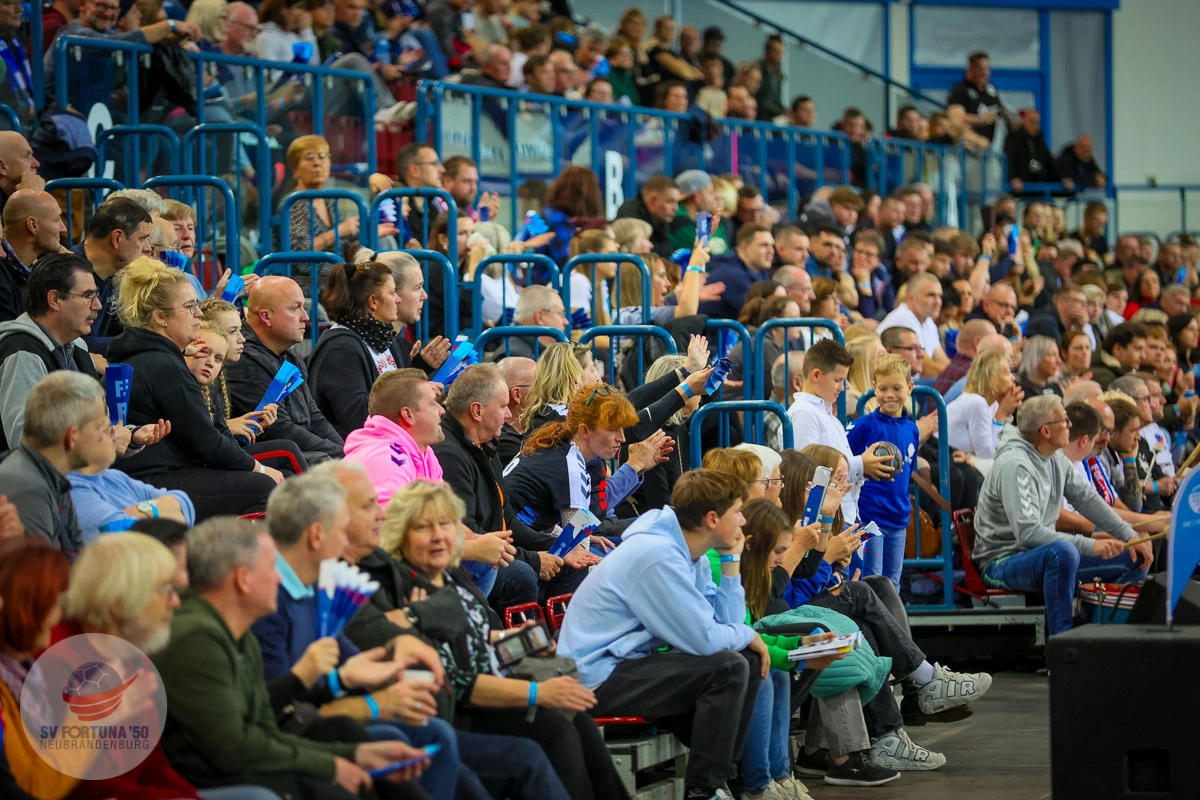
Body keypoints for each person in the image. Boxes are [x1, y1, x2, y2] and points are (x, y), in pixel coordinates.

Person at [374, 479, 627, 799]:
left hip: (480, 696)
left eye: (445, 524)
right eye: (424, 527)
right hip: (452, 714)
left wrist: (519, 641)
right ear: (401, 535)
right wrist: (538, 693)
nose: (438, 536)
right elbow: (458, 677)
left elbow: (474, 642)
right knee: (554, 731)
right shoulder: (407, 591)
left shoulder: (452, 577)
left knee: (579, 722)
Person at [153, 516, 432, 798]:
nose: (279, 578)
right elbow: (233, 749)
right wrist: (332, 765)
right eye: (272, 567)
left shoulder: (241, 636)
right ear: (242, 579)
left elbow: (267, 732)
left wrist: (356, 754)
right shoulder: (196, 638)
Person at [250, 471, 469, 800]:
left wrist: (394, 654)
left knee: (432, 736)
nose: (346, 545)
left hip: (318, 723)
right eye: (342, 531)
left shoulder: (316, 585)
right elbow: (281, 714)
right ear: (317, 535)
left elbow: (349, 659)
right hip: (285, 745)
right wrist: (373, 703)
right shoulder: (267, 601)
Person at [558, 469, 767, 800]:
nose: (743, 521)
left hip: (629, 666)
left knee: (746, 659)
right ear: (712, 519)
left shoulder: (690, 555)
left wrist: (731, 562)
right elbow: (705, 639)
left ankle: (721, 780)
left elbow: (725, 624)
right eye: (738, 512)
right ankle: (703, 791)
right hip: (594, 677)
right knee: (730, 666)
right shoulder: (657, 555)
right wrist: (745, 633)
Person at [59, 532, 280, 800]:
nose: (175, 601)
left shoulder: (136, 656)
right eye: (164, 589)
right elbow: (88, 787)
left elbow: (153, 765)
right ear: (121, 599)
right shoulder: (62, 662)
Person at [107, 258, 281, 517]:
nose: (199, 313)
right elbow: (206, 443)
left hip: (154, 472)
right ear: (161, 318)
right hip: (152, 480)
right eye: (190, 307)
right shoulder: (163, 366)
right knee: (264, 486)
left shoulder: (152, 356)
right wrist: (262, 470)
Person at [973, 395, 1150, 635]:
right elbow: (1028, 533)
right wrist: (1090, 546)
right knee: (1063, 552)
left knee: (1135, 555)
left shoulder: (1055, 457)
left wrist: (1128, 535)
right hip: (1002, 562)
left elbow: (1087, 499)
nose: (1070, 425)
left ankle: (1102, 636)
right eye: (1064, 421)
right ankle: (1061, 642)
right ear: (1046, 431)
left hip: (1041, 555)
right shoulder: (1015, 464)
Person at [430, 364, 551, 611]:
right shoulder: (449, 455)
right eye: (503, 406)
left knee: (567, 563)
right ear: (477, 411)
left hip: (497, 550)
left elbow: (507, 519)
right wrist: (533, 559)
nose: (508, 414)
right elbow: (470, 532)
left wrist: (549, 545)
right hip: (469, 558)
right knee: (521, 574)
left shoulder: (486, 443)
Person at [505, 383, 673, 533]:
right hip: (509, 545)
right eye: (613, 429)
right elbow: (576, 542)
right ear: (584, 430)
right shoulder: (570, 464)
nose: (622, 438)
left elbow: (571, 529)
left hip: (517, 538)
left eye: (622, 429)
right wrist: (634, 466)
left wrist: (639, 467)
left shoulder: (562, 447)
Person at [225, 276, 345, 462]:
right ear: (266, 317)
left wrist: (347, 451)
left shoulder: (290, 358)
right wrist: (343, 456)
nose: (305, 317)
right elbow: (278, 429)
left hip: (301, 453)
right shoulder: (243, 359)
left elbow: (315, 418)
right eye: (295, 308)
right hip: (269, 458)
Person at [0, 370, 112, 558]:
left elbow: (77, 558)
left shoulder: (52, 475)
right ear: (72, 437)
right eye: (100, 427)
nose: (105, 436)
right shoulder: (28, 490)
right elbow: (44, 574)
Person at [788, 339, 897, 524]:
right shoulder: (803, 413)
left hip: (844, 514)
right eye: (837, 380)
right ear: (816, 375)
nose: (843, 387)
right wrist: (861, 464)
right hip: (826, 518)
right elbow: (808, 470)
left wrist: (869, 468)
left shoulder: (827, 416)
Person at [310, 261, 423, 437]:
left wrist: (423, 369)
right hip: (359, 448)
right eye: (392, 292)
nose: (398, 299)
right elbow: (358, 418)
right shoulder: (340, 349)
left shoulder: (384, 339)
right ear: (373, 301)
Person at [0, 538, 76, 800]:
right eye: (55, 602)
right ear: (26, 607)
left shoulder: (26, 673)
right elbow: (30, 787)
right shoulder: (7, 689)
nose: (60, 614)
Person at [0, 253, 102, 447]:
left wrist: (130, 436)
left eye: (95, 296)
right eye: (88, 296)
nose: (97, 305)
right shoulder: (24, 353)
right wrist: (101, 441)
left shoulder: (77, 346)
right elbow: (28, 445)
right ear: (55, 299)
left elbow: (96, 421)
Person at [846, 354, 921, 588]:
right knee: (870, 579)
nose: (889, 395)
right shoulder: (863, 426)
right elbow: (843, 460)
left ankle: (890, 614)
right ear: (874, 387)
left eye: (896, 388)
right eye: (883, 388)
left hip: (898, 519)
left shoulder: (912, 429)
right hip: (869, 517)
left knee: (892, 583)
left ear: (909, 388)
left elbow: (908, 472)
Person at [344, 372, 445, 507]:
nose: (442, 410)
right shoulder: (386, 459)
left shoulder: (426, 453)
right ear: (408, 415)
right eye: (433, 404)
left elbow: (444, 512)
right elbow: (390, 520)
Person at [75, 198, 154, 357]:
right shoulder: (68, 274)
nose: (147, 248)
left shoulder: (120, 273)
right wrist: (144, 342)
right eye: (142, 239)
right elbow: (75, 344)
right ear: (117, 238)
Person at [946, 349, 1024, 475]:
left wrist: (1004, 413)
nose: (1013, 377)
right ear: (993, 379)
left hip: (962, 460)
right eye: (1008, 373)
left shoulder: (992, 404)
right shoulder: (977, 402)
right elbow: (987, 453)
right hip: (945, 457)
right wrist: (1002, 414)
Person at [0, 190, 68, 322]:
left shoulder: (42, 270)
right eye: (57, 220)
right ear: (33, 225)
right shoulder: (2, 274)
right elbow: (9, 332)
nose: (63, 228)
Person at [698, 222, 775, 320]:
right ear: (744, 247)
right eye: (764, 245)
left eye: (772, 245)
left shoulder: (760, 271)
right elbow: (760, 315)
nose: (771, 251)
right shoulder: (730, 274)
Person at [877, 273, 949, 377]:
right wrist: (955, 374)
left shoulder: (928, 321)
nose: (938, 302)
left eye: (940, 296)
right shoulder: (903, 319)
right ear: (911, 298)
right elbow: (925, 368)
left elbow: (942, 359)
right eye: (931, 295)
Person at [614, 174, 680, 258]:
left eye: (677, 202)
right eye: (670, 201)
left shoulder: (662, 218)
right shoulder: (629, 214)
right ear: (652, 199)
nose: (676, 208)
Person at [946, 51, 1005, 144]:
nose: (985, 73)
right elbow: (956, 118)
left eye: (987, 69)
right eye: (981, 68)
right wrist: (979, 119)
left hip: (990, 146)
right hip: (969, 145)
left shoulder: (991, 89)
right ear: (971, 68)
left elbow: (1000, 110)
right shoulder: (960, 90)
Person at [1090, 322, 1147, 389]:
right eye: (1138, 349)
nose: (1143, 356)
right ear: (1118, 349)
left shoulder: (1115, 374)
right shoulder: (1103, 378)